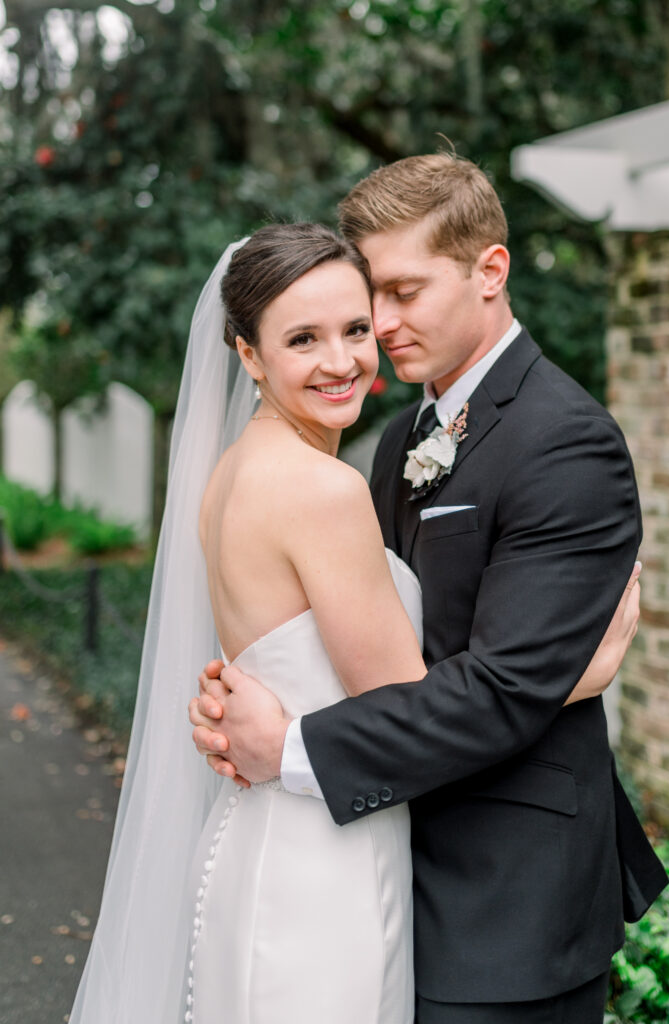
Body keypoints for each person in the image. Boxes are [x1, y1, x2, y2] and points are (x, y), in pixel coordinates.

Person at [70, 218, 639, 1024]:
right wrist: (571, 676)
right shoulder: (322, 487)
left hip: (262, 841)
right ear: (247, 355)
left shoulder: (230, 474)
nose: (341, 361)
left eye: (354, 329)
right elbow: (409, 702)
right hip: (324, 857)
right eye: (302, 338)